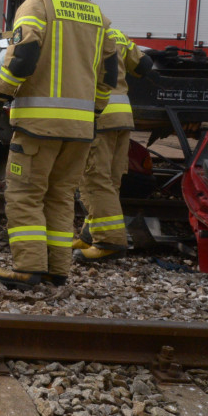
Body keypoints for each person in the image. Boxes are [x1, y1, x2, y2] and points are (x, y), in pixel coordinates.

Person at [0, 0, 118, 290]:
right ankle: (58, 270)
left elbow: (22, 57)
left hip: (38, 126)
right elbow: (110, 74)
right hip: (80, 128)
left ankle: (28, 268)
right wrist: (95, 111)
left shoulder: (38, 5)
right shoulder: (97, 14)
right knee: (59, 197)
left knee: (25, 195)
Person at [73, 27, 158, 262]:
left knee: (94, 181)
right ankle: (91, 234)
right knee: (109, 181)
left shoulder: (81, 32)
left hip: (99, 115)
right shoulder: (115, 33)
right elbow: (144, 65)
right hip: (122, 116)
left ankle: (109, 242)